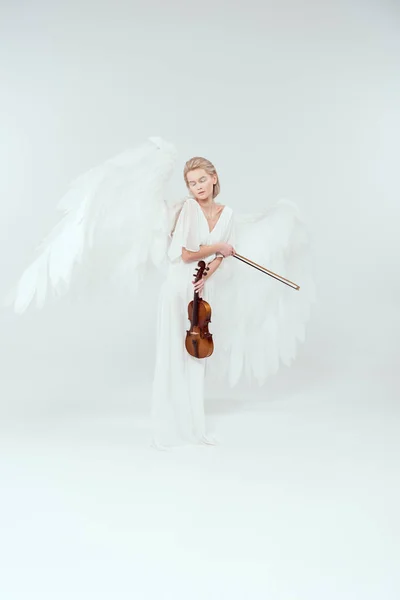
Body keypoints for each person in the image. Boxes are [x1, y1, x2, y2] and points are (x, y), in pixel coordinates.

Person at [151, 156, 235, 448]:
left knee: (196, 356)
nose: (198, 187)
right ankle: (168, 427)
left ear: (214, 178)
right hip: (177, 287)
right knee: (173, 353)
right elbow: (187, 254)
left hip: (198, 290)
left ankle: (194, 427)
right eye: (191, 183)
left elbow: (218, 259)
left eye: (202, 179)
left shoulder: (228, 214)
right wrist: (219, 247)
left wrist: (206, 276)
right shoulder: (188, 208)